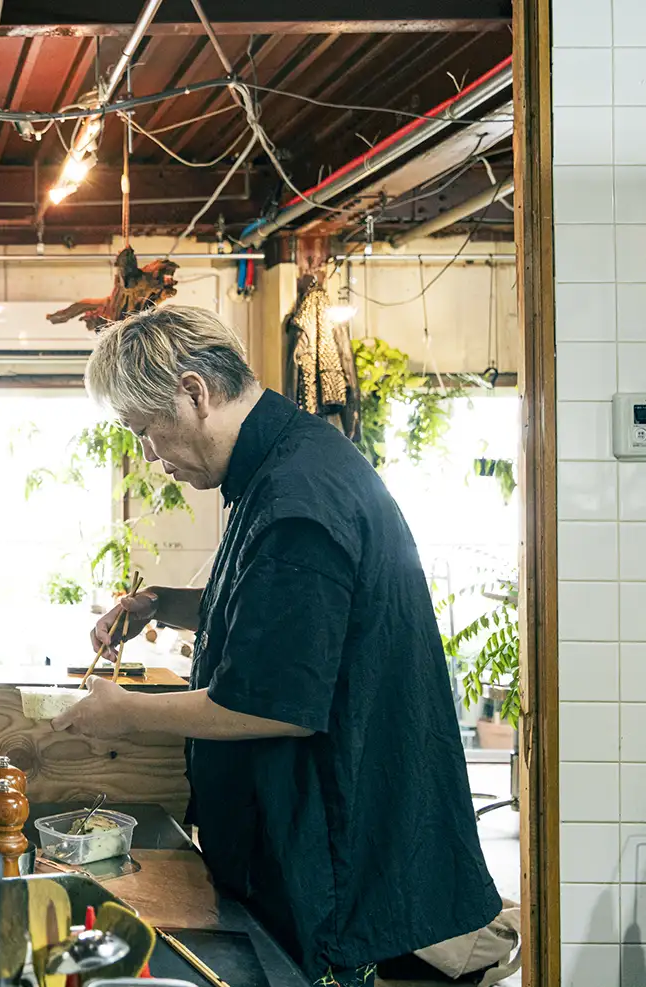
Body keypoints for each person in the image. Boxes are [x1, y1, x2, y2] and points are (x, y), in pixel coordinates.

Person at [52, 306, 501, 987]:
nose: (148, 453)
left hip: (327, 852)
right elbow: (284, 616)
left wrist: (127, 712)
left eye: (146, 430)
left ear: (194, 392)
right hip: (298, 840)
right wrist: (164, 605)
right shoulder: (286, 462)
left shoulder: (297, 497)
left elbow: (276, 702)